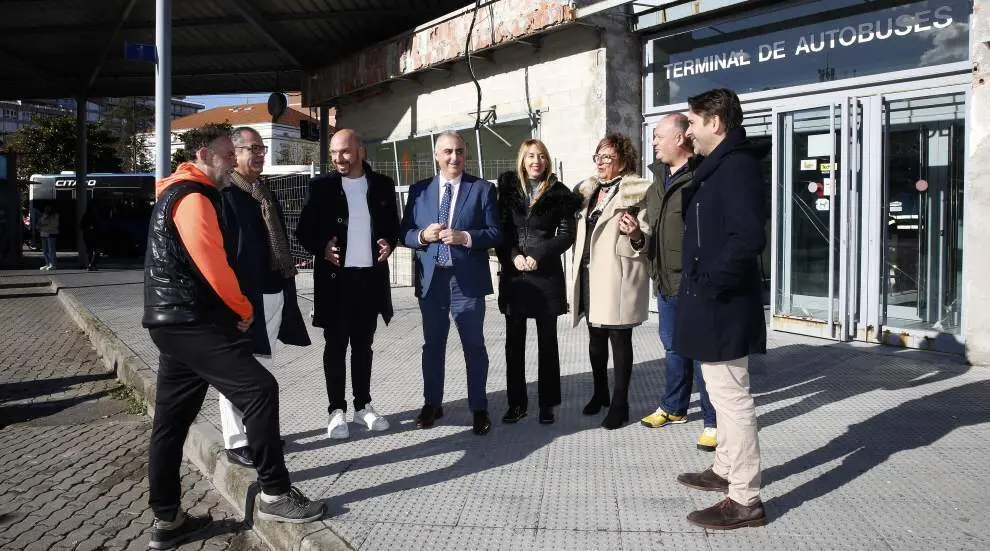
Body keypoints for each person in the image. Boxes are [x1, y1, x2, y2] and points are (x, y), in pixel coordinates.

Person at [142, 124, 323, 550]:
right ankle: (276, 493)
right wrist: (242, 309)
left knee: (171, 423)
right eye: (228, 153)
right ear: (204, 155)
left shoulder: (174, 192)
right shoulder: (192, 196)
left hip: (170, 324)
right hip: (190, 321)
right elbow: (212, 261)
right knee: (261, 389)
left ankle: (167, 521)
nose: (232, 162)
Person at [673, 88, 768, 529]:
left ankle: (746, 499)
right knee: (720, 390)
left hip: (723, 303)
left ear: (715, 122)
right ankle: (726, 469)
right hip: (713, 302)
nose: (687, 131)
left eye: (692, 122)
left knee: (732, 399)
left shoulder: (737, 167)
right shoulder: (716, 167)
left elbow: (748, 239)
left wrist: (710, 283)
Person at [296, 129, 399, 440]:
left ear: (361, 151)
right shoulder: (321, 187)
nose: (338, 158)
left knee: (363, 346)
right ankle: (335, 410)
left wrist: (389, 243)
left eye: (344, 152)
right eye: (334, 153)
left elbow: (393, 225)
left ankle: (363, 406)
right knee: (336, 346)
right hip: (335, 281)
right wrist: (322, 249)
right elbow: (302, 231)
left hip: (369, 280)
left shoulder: (382, 185)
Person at [218, 127, 311, 467]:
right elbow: (224, 255)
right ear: (235, 153)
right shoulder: (226, 195)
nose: (259, 154)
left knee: (261, 366)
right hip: (243, 299)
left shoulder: (262, 191)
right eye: (252, 148)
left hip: (273, 291)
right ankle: (237, 440)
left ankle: (259, 432)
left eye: (262, 148)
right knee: (237, 368)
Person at [400, 131, 502, 435]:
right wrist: (422, 237)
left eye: (458, 151)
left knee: (474, 345)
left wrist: (465, 237)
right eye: (447, 151)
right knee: (433, 345)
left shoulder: (482, 189)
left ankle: (479, 406)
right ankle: (432, 403)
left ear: (465, 153)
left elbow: (496, 233)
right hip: (432, 281)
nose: (453, 157)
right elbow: (404, 232)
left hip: (466, 280)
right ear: (436, 155)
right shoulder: (420, 191)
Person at [639, 113, 718, 452]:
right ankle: (673, 408)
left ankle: (715, 422)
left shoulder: (702, 176)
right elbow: (652, 233)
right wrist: (636, 237)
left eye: (658, 136)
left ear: (681, 138)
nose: (653, 141)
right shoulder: (656, 182)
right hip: (665, 281)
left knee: (702, 354)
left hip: (694, 282)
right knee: (673, 348)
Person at [495, 139, 581, 426]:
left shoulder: (560, 193)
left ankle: (547, 405)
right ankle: (516, 403)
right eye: (531, 156)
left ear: (547, 160)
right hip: (515, 277)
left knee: (548, 344)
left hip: (545, 277)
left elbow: (566, 235)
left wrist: (539, 255)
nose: (536, 161)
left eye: (541, 156)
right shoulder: (508, 192)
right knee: (513, 345)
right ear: (522, 160)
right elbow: (503, 231)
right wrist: (514, 256)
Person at [570, 133, 652, 430]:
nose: (601, 162)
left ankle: (621, 404)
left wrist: (635, 235)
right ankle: (600, 392)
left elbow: (645, 234)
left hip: (616, 273)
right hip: (591, 272)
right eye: (598, 156)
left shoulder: (636, 191)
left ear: (623, 162)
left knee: (619, 339)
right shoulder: (590, 191)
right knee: (595, 339)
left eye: (607, 157)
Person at [80, 201, 106, 271]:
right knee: (93, 251)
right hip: (92, 236)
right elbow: (82, 226)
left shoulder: (89, 215)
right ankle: (92, 264)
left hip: (92, 236)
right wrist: (89, 227)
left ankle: (91, 264)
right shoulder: (93, 216)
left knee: (92, 251)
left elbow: (82, 226)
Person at [38, 204, 59, 270]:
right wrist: (43, 226)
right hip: (43, 234)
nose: (47, 210)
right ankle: (48, 263)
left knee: (51, 250)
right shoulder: (43, 215)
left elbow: (53, 225)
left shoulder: (55, 215)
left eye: (48, 208)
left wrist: (43, 227)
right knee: (45, 251)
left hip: (51, 234)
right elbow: (38, 224)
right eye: (46, 208)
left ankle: (53, 264)